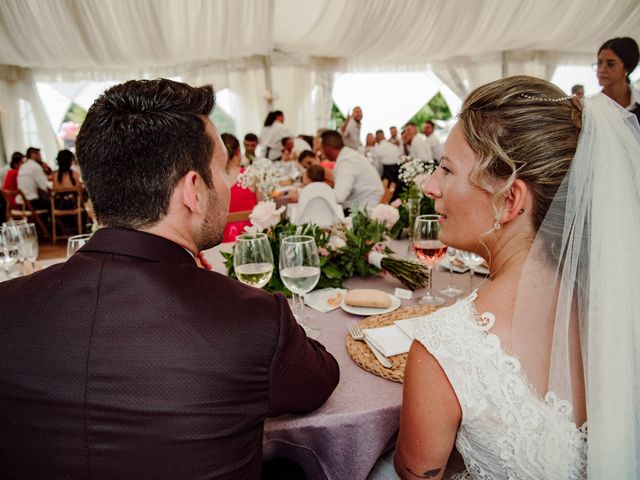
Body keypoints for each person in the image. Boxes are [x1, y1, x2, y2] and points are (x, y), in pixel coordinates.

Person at [0, 78, 339, 479]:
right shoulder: (254, 321)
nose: (229, 183)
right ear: (193, 190)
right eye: (223, 169)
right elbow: (321, 379)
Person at [392, 76, 640, 479]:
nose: (430, 185)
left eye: (447, 170)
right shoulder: (621, 303)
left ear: (509, 200)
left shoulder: (445, 347)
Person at [321, 130, 383, 213]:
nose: (322, 151)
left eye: (322, 148)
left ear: (327, 148)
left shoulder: (347, 161)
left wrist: (316, 194)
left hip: (366, 211)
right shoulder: (349, 156)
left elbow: (339, 196)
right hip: (363, 205)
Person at [221, 132, 259, 242]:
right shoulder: (251, 176)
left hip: (222, 242)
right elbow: (262, 208)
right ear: (238, 151)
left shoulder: (213, 182)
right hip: (251, 238)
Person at [596, 37, 640, 121]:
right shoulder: (589, 107)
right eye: (599, 63)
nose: (602, 69)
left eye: (610, 64)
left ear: (626, 68)